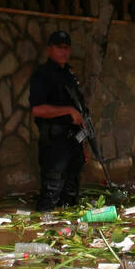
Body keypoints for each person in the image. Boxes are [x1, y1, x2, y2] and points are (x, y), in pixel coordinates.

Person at [28, 30, 89, 211]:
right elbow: (37, 109)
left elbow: (80, 112)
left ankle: (66, 232)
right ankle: (43, 231)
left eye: (67, 48)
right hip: (55, 143)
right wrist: (68, 110)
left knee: (71, 193)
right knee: (51, 192)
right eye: (59, 47)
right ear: (50, 49)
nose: (64, 52)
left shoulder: (69, 75)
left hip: (73, 141)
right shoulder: (43, 75)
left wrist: (84, 142)